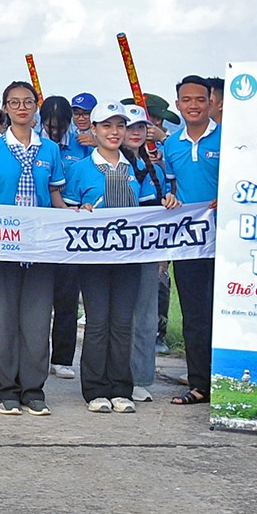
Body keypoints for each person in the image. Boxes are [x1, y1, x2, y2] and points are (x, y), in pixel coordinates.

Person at [0, 80, 65, 415]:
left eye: (27, 102)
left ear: (36, 106)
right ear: (5, 108)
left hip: (40, 247)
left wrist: (74, 216)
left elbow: (54, 195)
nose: (21, 108)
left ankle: (33, 388)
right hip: (1, 248)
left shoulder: (49, 150)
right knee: (2, 318)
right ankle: (6, 387)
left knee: (37, 320)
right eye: (14, 102)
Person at [62, 99, 148, 413]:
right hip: (94, 259)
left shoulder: (138, 166)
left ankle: (121, 388)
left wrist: (167, 201)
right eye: (107, 126)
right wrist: (78, 212)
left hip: (129, 257)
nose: (115, 132)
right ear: (93, 129)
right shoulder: (80, 169)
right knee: (98, 323)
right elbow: (67, 210)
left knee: (123, 322)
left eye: (121, 125)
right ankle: (96, 389)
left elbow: (152, 208)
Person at [161, 75, 221, 407]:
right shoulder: (172, 145)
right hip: (190, 240)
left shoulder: (228, 139)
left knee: (224, 312)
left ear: (211, 102)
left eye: (200, 99)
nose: (194, 105)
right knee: (194, 315)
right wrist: (169, 198)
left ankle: (226, 382)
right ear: (178, 104)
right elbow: (169, 188)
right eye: (187, 100)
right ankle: (199, 383)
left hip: (228, 240)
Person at [124, 109, 178, 402]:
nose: (135, 132)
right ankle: (114, 376)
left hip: (145, 249)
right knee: (113, 318)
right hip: (109, 253)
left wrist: (170, 200)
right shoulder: (102, 164)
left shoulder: (155, 169)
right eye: (128, 126)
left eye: (141, 127)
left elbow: (160, 210)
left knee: (145, 316)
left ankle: (141, 377)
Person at [40, 94, 82, 380]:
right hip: (41, 227)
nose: (55, 133)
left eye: (61, 127)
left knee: (67, 296)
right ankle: (37, 354)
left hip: (72, 228)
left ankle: (63, 357)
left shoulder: (84, 144)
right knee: (39, 298)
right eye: (49, 126)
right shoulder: (33, 143)